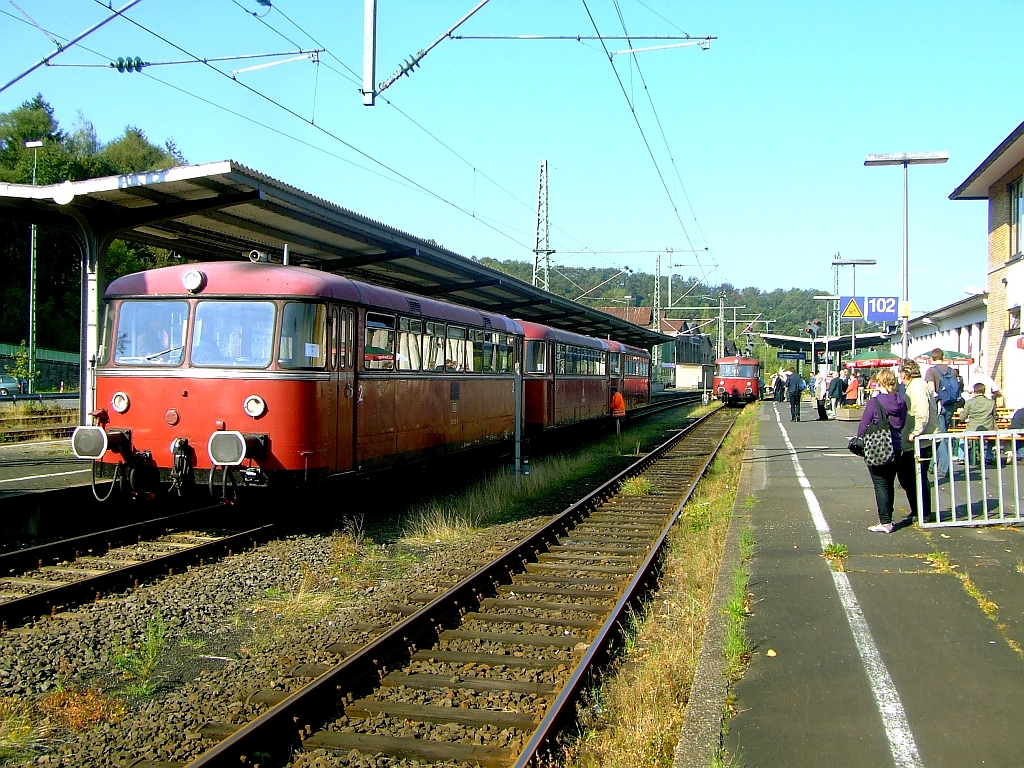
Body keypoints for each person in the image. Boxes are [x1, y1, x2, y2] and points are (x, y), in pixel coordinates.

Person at [856, 368, 907, 533]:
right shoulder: (901, 401)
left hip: (878, 447)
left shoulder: (875, 402)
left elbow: (864, 424)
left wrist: (859, 440)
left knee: (879, 483)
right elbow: (903, 422)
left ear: (880, 382)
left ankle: (885, 522)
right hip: (897, 446)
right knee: (889, 483)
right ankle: (888, 518)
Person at [897, 359, 937, 524]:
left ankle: (922, 512)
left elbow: (922, 411)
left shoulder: (917, 386)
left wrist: (916, 432)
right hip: (919, 438)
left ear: (905, 373)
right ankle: (919, 510)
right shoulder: (916, 385)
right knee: (911, 476)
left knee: (912, 476)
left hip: (921, 439)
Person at [924, 349, 962, 479]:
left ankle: (945, 468)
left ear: (932, 358)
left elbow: (931, 390)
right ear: (943, 357)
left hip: (939, 406)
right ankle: (931, 465)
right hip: (950, 405)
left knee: (940, 437)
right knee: (941, 433)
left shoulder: (931, 371)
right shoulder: (952, 370)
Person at [961, 382, 996, 465]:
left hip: (973, 429)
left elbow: (962, 417)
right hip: (988, 429)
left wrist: (961, 413)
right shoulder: (991, 402)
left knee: (962, 439)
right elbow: (995, 416)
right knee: (992, 440)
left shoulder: (969, 402)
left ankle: (962, 457)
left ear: (974, 391)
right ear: (984, 391)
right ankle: (988, 457)